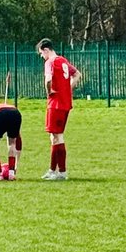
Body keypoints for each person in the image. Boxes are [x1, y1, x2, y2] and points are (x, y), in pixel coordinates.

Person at [38, 39, 79, 180]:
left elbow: (48, 80)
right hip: (65, 103)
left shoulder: (50, 62)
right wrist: (67, 89)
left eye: (41, 53)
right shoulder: (63, 60)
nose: (42, 57)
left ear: (46, 50)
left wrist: (49, 92)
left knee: (57, 137)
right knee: (55, 136)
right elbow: (77, 75)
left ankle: (61, 172)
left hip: (55, 104)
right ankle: (52, 170)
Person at [0, 103, 23, 180]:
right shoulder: (5, 106)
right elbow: (18, 140)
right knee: (12, 143)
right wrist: (16, 165)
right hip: (15, 113)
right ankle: (11, 174)